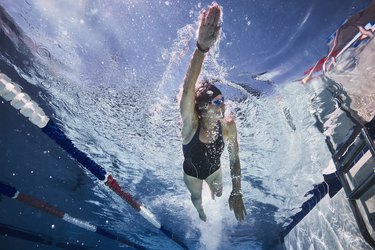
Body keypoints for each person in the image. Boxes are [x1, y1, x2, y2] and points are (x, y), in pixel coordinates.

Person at [179, 3, 246, 222]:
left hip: (215, 171)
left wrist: (237, 191)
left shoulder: (228, 126)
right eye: (216, 103)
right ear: (202, 107)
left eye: (222, 101)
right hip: (191, 174)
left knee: (218, 193)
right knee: (197, 199)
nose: (222, 106)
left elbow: (235, 160)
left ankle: (214, 198)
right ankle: (200, 211)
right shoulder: (191, 125)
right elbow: (188, 88)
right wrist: (201, 49)